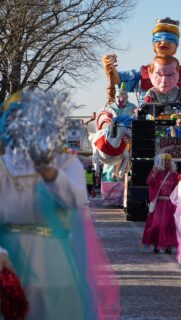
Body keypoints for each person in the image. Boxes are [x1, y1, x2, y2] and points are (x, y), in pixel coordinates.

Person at [0, 89, 119, 320]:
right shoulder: (3, 166)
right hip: (7, 259)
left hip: (54, 261)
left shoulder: (65, 162)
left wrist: (49, 172)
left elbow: (75, 199)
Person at [102, 17, 181, 102]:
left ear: (176, 46)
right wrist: (109, 68)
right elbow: (118, 80)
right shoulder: (144, 72)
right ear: (153, 45)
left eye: (169, 39)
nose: (164, 42)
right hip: (148, 121)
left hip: (177, 120)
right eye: (159, 39)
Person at [142, 153, 179, 254]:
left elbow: (178, 188)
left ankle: (168, 245)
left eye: (168, 161)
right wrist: (154, 173)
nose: (167, 162)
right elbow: (149, 182)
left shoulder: (174, 174)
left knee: (169, 224)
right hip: (158, 203)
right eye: (164, 161)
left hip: (170, 204)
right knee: (157, 223)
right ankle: (156, 244)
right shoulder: (156, 172)